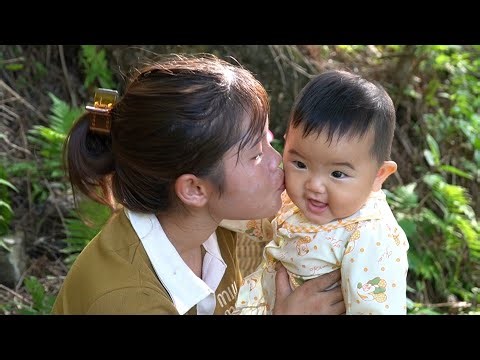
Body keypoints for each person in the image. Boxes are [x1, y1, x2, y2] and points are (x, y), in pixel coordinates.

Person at [51, 54, 345, 315]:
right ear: (194, 190)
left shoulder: (216, 223)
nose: (276, 159)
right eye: (256, 154)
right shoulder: (127, 301)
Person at [221, 70, 409, 315]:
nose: (314, 186)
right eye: (300, 164)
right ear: (286, 145)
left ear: (378, 176)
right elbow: (249, 217)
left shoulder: (370, 235)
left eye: (338, 174)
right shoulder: (295, 204)